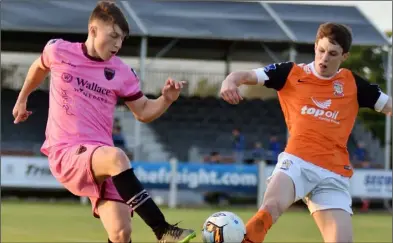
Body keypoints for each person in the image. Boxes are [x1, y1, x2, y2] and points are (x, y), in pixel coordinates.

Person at [12, 1, 196, 243]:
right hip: (67, 151)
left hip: (102, 159)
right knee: (117, 157)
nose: (118, 44)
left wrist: (165, 100)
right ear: (93, 30)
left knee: (121, 233)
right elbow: (39, 66)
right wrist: (22, 98)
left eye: (122, 39)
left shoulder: (122, 72)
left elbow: (142, 111)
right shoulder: (59, 51)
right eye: (114, 36)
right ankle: (163, 230)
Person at [220, 22, 392, 243]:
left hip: (334, 173)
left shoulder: (353, 84)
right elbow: (245, 75)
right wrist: (230, 81)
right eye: (321, 51)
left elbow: (389, 106)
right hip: (297, 162)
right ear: (314, 47)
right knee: (269, 209)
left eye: (332, 54)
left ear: (344, 56)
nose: (324, 58)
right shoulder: (291, 73)